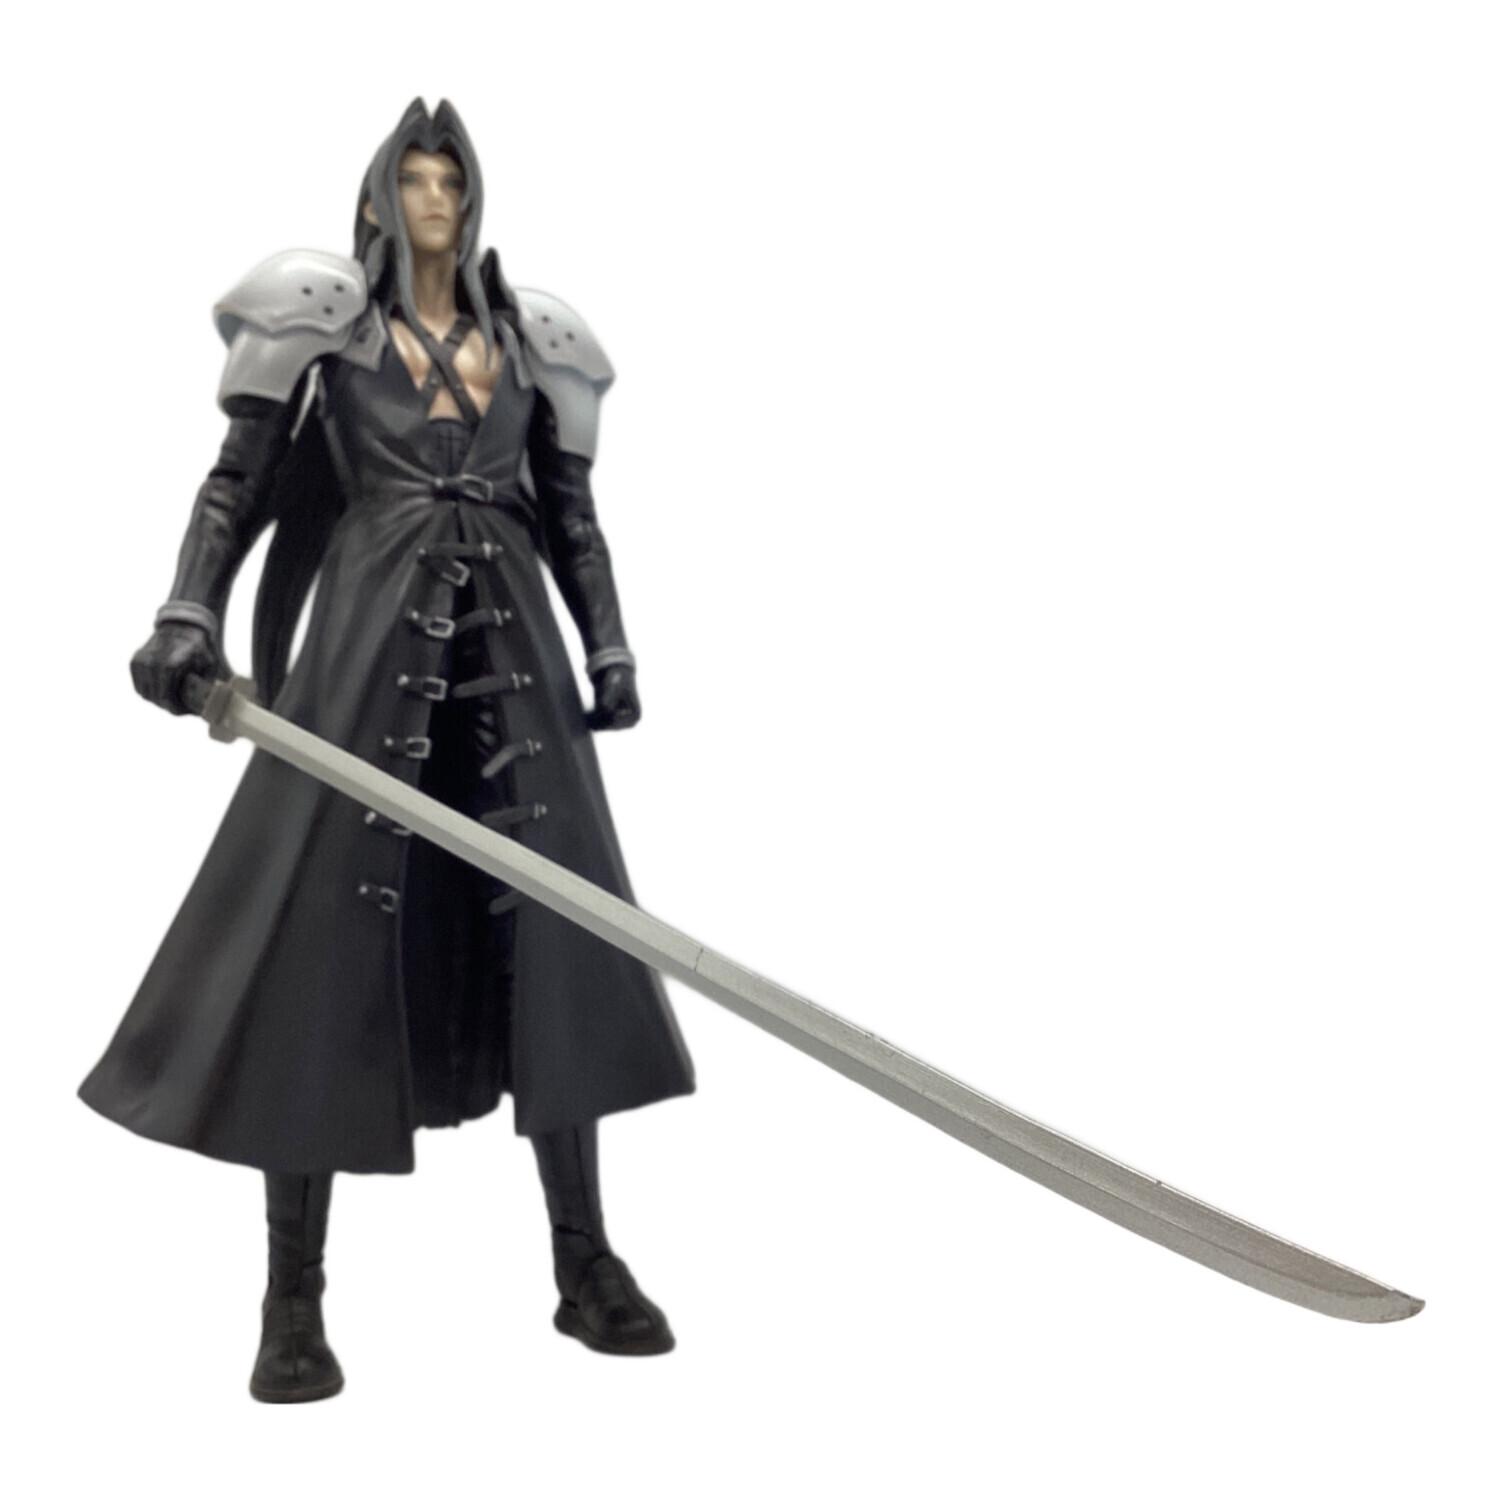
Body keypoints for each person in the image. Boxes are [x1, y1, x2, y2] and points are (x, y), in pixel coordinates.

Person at [79, 98, 694, 1403]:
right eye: (414, 179)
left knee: (558, 947)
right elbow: (235, 484)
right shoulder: (321, 319)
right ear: (378, 196)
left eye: (451, 179)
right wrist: (186, 611)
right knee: (307, 955)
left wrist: (610, 647)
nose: (435, 199)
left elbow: (573, 518)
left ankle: (584, 1263)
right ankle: (291, 1297)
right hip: (362, 664)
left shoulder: (534, 339)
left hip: (513, 672)